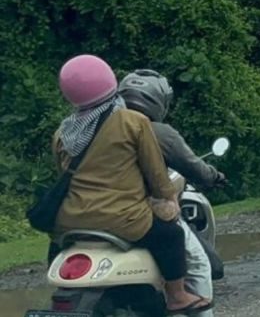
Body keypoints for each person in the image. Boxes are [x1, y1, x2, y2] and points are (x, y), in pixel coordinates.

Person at [52, 55, 211, 314]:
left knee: (58, 247)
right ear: (109, 82)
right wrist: (169, 201)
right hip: (123, 218)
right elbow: (157, 175)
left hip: (70, 220)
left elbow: (63, 176)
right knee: (171, 235)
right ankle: (177, 296)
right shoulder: (132, 122)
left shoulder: (63, 132)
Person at [118, 69, 227, 316]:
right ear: (159, 101)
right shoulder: (157, 131)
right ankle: (185, 302)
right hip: (137, 210)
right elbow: (190, 167)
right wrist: (213, 176)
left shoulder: (101, 129)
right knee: (197, 262)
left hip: (91, 209)